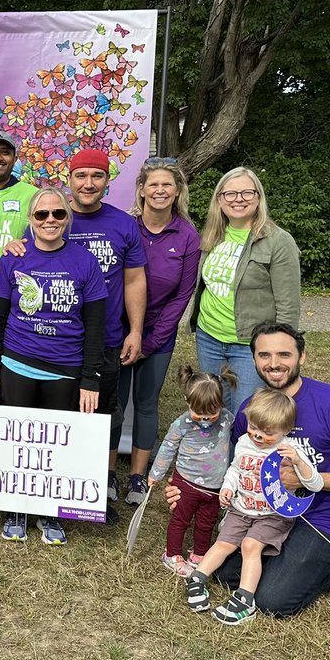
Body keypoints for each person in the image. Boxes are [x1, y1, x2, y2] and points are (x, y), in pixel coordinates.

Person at [165, 321, 330, 617]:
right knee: (224, 572)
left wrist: (310, 479)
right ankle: (294, 559)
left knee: (273, 600)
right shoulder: (252, 410)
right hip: (263, 513)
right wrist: (184, 488)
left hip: (324, 517)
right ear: (254, 359)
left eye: (284, 355)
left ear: (302, 357)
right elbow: (235, 465)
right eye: (264, 356)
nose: (274, 364)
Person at [0, 186, 107, 546]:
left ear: (67, 218)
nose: (50, 220)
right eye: (41, 215)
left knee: (57, 445)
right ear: (31, 221)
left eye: (58, 214)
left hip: (66, 367)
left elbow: (96, 324)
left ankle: (52, 511)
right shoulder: (13, 257)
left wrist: (90, 378)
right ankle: (17, 508)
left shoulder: (84, 261)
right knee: (19, 441)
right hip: (17, 362)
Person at [185, 388, 322, 625]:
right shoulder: (243, 442)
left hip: (271, 514)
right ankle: (197, 578)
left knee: (250, 545)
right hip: (242, 508)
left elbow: (316, 484)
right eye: (254, 427)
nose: (258, 436)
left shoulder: (289, 450)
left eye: (267, 432)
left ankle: (245, 600)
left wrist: (299, 461)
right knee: (223, 544)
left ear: (286, 431)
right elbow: (236, 469)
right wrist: (228, 487)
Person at [62, 148, 146, 511]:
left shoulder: (123, 225)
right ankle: (62, 477)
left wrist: (136, 330)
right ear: (70, 180)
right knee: (61, 412)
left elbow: (134, 281)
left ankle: (103, 476)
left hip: (108, 337)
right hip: (60, 340)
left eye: (96, 176)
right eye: (81, 176)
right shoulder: (54, 217)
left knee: (105, 412)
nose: (88, 183)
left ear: (107, 182)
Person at [117, 158, 200, 506]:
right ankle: (106, 474)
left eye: (167, 185)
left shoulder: (187, 235)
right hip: (119, 332)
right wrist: (126, 332)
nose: (160, 190)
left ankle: (137, 476)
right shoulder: (126, 227)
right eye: (154, 184)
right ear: (142, 189)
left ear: (177, 190)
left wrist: (150, 341)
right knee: (115, 404)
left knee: (147, 404)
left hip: (159, 336)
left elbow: (183, 294)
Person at [190, 167, 301, 416]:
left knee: (246, 414)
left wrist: (281, 351)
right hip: (209, 338)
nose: (238, 199)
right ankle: (221, 456)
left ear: (258, 198)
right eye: (229, 193)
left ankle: (243, 457)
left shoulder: (278, 241)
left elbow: (288, 305)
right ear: (219, 200)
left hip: (249, 344)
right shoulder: (213, 236)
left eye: (246, 193)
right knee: (215, 409)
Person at [147, 365, 238, 576]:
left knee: (207, 523)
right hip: (186, 483)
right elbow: (167, 448)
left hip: (215, 486)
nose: (206, 419)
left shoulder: (226, 419)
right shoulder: (182, 424)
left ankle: (199, 554)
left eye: (211, 414)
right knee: (181, 519)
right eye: (199, 414)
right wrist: (155, 475)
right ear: (188, 402)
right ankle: (172, 554)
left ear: (221, 404)